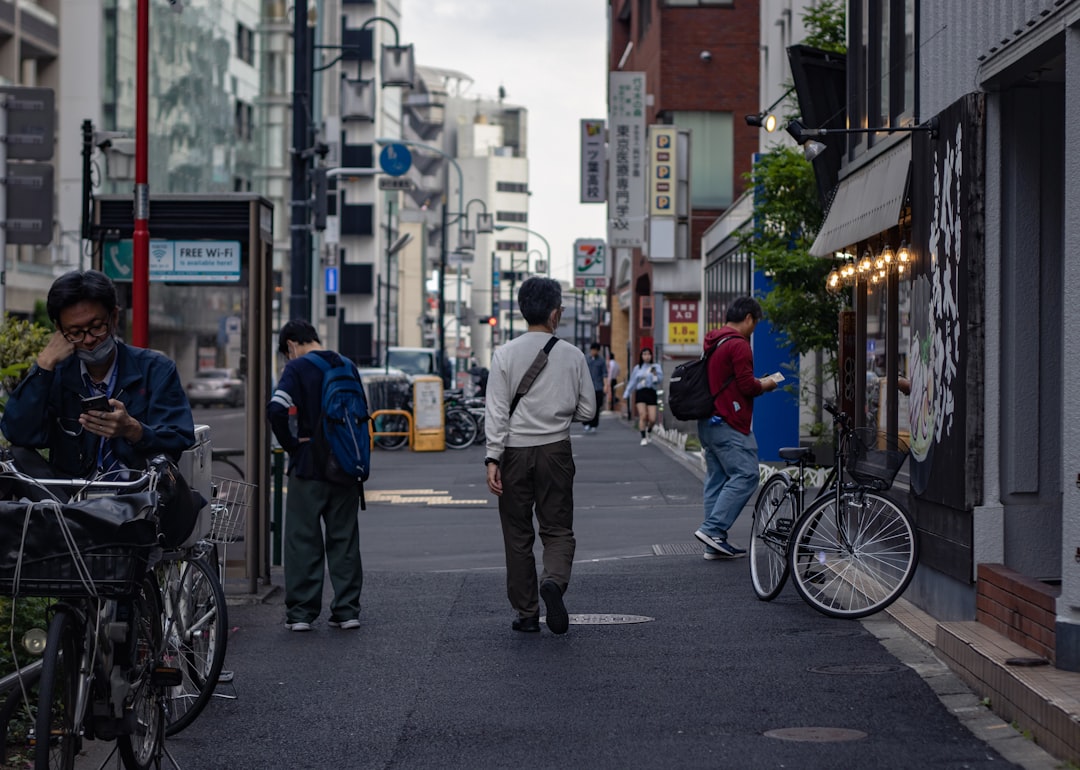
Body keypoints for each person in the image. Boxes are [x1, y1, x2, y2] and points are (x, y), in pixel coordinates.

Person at [0, 269, 195, 478]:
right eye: (75, 333)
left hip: (138, 496)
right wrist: (44, 365)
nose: (89, 340)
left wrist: (134, 430)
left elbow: (179, 435)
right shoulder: (56, 374)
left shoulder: (156, 369)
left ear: (114, 317)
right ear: (59, 329)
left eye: (96, 327)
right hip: (71, 499)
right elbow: (19, 434)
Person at [484, 277, 594, 634]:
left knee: (517, 534)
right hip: (556, 449)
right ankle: (554, 581)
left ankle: (527, 612)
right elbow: (589, 411)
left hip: (513, 451)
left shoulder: (504, 354)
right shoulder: (573, 355)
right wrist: (561, 413)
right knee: (558, 529)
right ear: (554, 312)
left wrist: (492, 458)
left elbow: (497, 411)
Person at [267, 320, 365, 632]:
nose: (288, 359)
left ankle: (301, 614)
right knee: (344, 539)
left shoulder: (297, 369)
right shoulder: (347, 364)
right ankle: (347, 610)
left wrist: (292, 446)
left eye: (286, 353)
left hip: (309, 466)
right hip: (347, 466)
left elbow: (276, 408)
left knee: (302, 539)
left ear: (291, 344)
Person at [693, 296, 779, 560]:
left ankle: (714, 544)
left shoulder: (713, 341)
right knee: (747, 475)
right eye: (755, 323)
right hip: (729, 421)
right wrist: (767, 383)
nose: (754, 329)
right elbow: (746, 386)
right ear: (749, 318)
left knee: (717, 480)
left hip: (709, 421)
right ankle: (713, 529)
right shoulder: (739, 345)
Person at [623, 347, 662, 445]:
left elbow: (659, 380)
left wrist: (654, 374)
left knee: (652, 418)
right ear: (641, 356)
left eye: (648, 354)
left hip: (651, 392)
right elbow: (633, 382)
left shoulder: (656, 367)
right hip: (640, 392)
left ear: (651, 356)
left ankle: (649, 431)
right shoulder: (638, 368)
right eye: (644, 354)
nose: (647, 356)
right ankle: (643, 437)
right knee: (643, 415)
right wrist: (627, 393)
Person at [583, 343, 606, 433]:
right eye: (593, 350)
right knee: (586, 406)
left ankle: (594, 425)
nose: (594, 352)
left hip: (598, 387)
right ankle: (586, 423)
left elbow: (605, 374)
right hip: (586, 387)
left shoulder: (601, 361)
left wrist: (606, 385)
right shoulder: (585, 358)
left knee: (596, 407)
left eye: (596, 350)